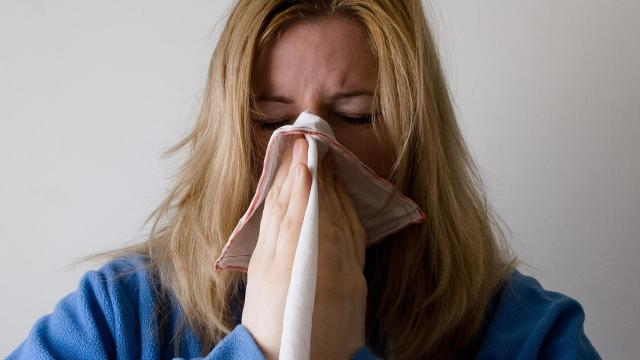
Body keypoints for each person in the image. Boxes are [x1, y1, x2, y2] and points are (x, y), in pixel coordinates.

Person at [8, 1, 600, 359]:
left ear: (418, 135)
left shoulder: (526, 334)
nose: (311, 155)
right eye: (272, 122)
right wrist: (261, 349)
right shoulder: (120, 316)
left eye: (357, 115)